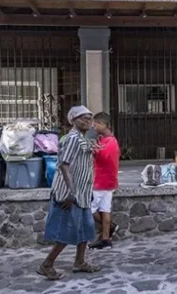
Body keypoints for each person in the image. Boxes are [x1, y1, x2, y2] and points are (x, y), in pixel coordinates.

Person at [37, 106, 100, 281]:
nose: (88, 120)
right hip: (69, 194)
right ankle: (47, 264)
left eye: (89, 117)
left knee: (86, 229)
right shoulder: (72, 139)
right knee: (67, 231)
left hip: (83, 192)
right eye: (83, 118)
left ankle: (79, 261)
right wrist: (71, 192)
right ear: (73, 120)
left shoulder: (83, 139)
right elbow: (65, 166)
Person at [89, 112, 120, 249]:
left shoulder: (110, 143)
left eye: (95, 124)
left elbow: (102, 157)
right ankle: (106, 238)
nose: (93, 126)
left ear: (103, 124)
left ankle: (109, 228)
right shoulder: (105, 140)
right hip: (108, 181)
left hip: (101, 181)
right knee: (105, 209)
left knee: (90, 209)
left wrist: (93, 150)